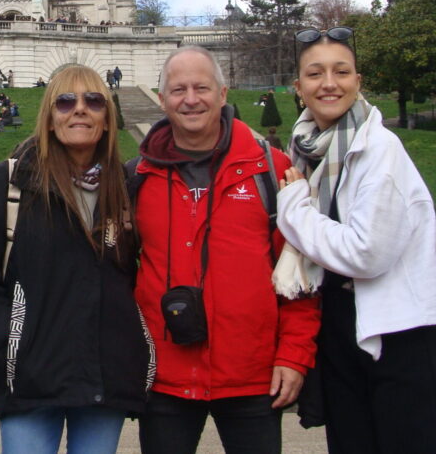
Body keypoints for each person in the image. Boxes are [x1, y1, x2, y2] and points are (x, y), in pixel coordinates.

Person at [130, 46, 319, 454]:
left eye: (202, 87)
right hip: (165, 375)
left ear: (223, 93)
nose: (191, 99)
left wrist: (293, 355)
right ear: (162, 100)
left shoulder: (273, 168)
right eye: (178, 89)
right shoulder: (136, 177)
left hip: (252, 374)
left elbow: (300, 275)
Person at [276, 27, 436, 454]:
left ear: (358, 82)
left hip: (397, 332)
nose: (329, 83)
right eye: (316, 74)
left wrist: (294, 208)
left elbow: (366, 252)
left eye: (342, 71)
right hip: (339, 326)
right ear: (299, 88)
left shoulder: (381, 148)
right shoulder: (304, 149)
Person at [0, 64, 151, 454]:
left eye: (93, 101)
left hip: (105, 371)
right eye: (65, 101)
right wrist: (9, 345)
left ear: (106, 117)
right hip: (32, 374)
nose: (79, 109)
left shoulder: (128, 187)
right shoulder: (6, 184)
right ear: (49, 119)